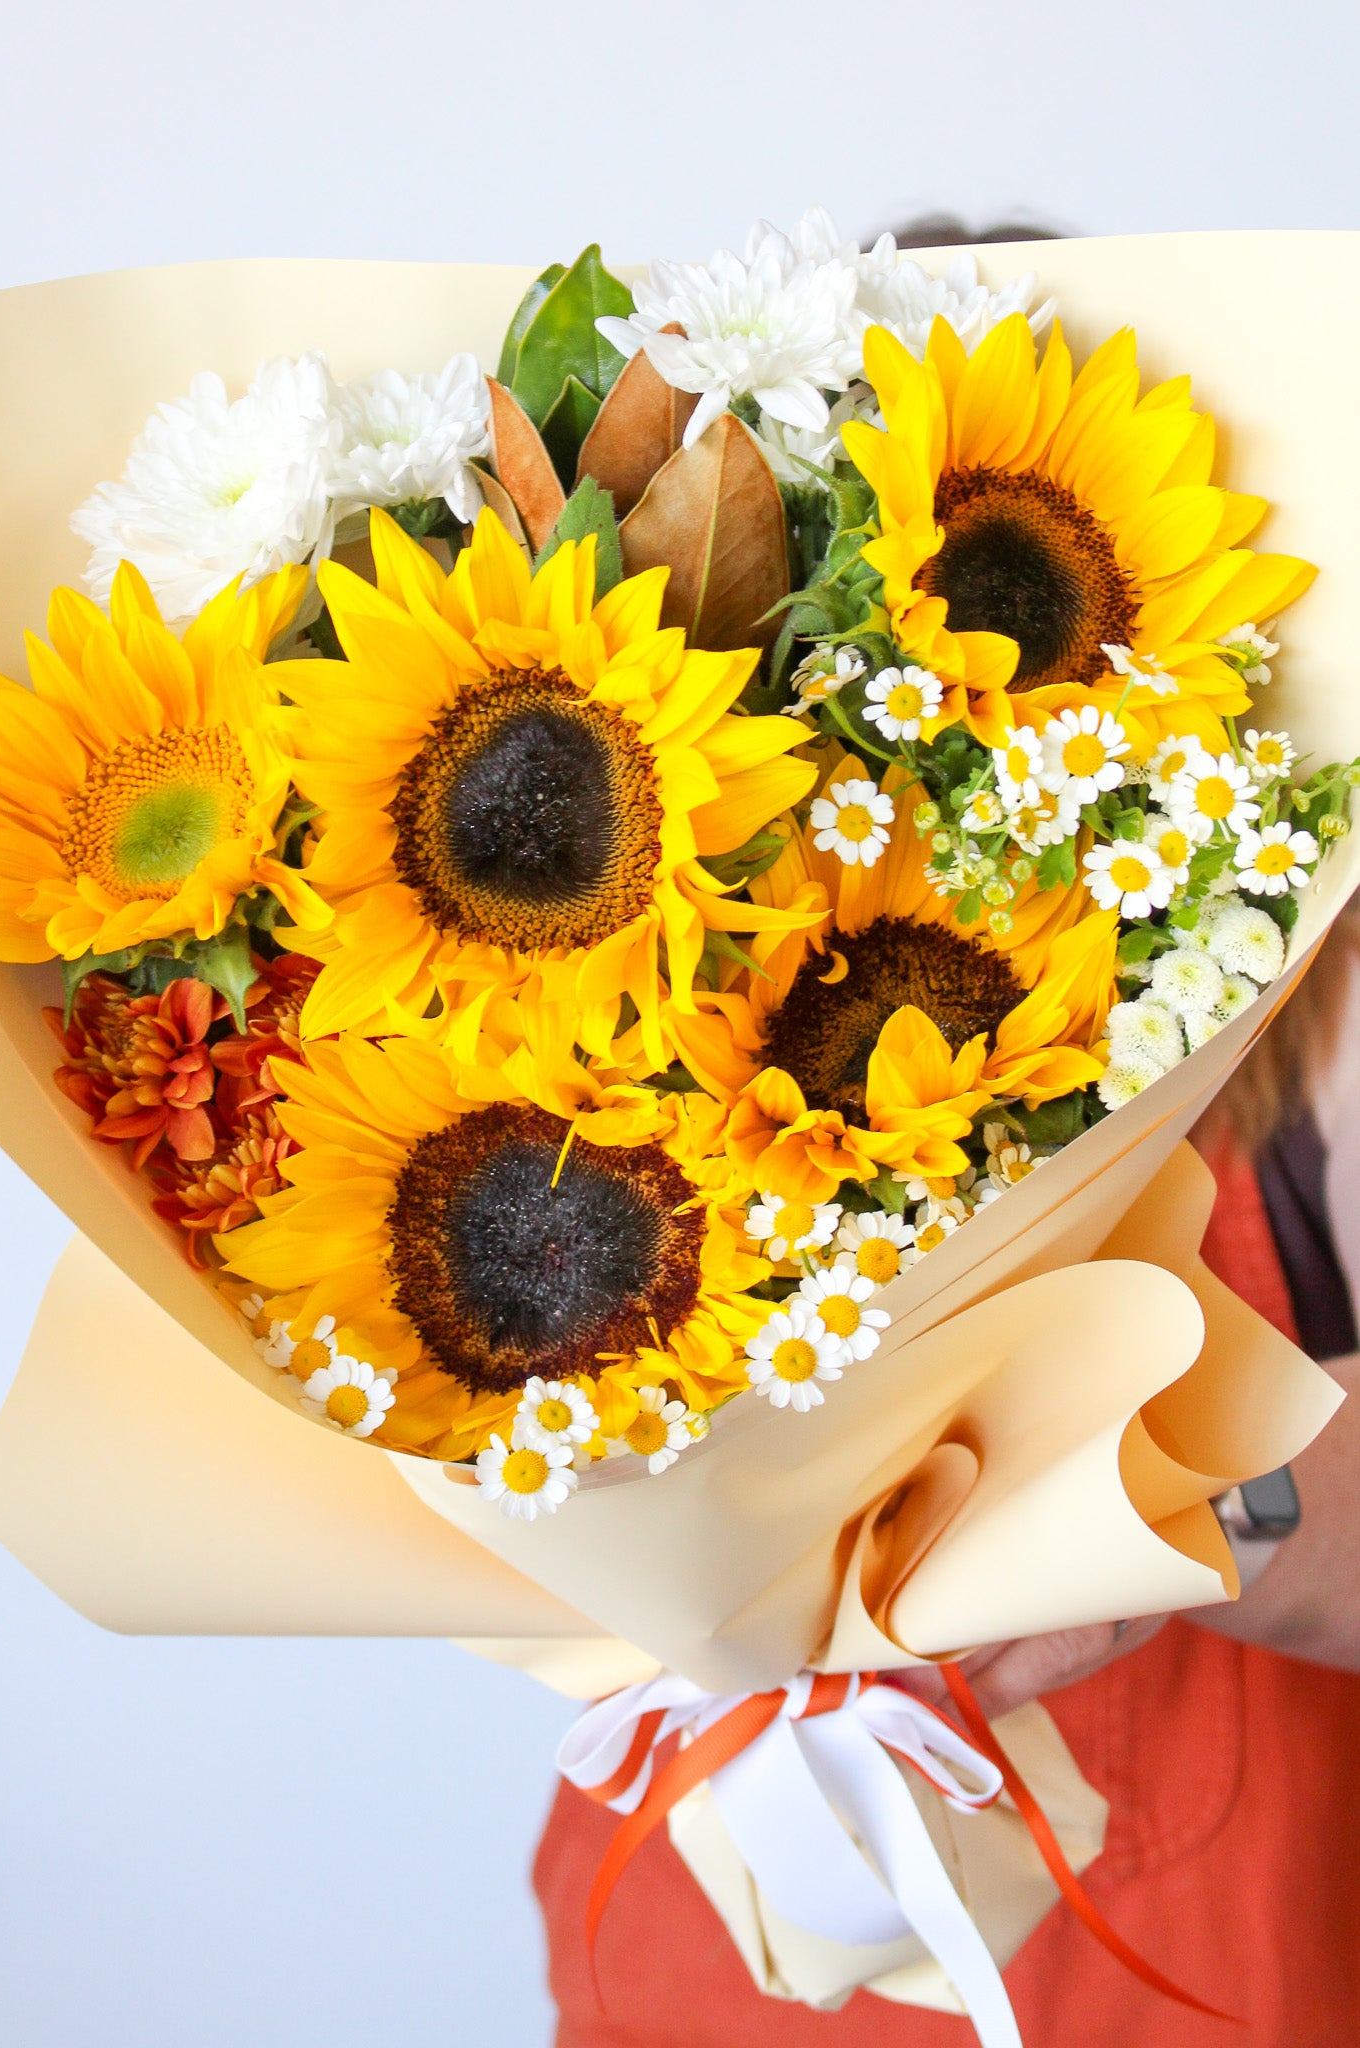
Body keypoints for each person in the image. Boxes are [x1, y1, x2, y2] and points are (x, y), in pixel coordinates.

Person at [535, 214, 1360, 2038]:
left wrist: (1178, 1501)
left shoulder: (1299, 973)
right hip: (715, 1925)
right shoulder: (568, 994)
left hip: (1225, 1938)